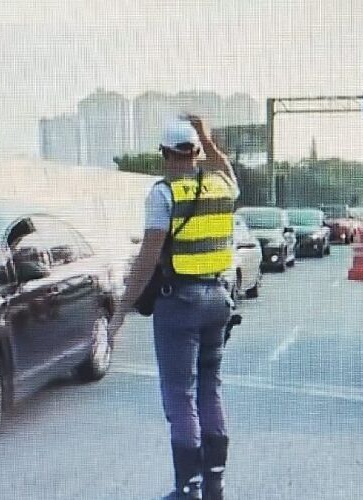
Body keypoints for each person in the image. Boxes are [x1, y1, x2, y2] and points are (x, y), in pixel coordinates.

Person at [108, 115, 239, 500]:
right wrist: (207, 136)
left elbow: (147, 260)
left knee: (180, 396)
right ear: (196, 151)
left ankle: (189, 490)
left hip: (179, 303)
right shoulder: (223, 187)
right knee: (210, 389)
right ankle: (214, 484)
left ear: (164, 153)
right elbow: (224, 166)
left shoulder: (163, 194)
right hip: (219, 298)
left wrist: (119, 313)